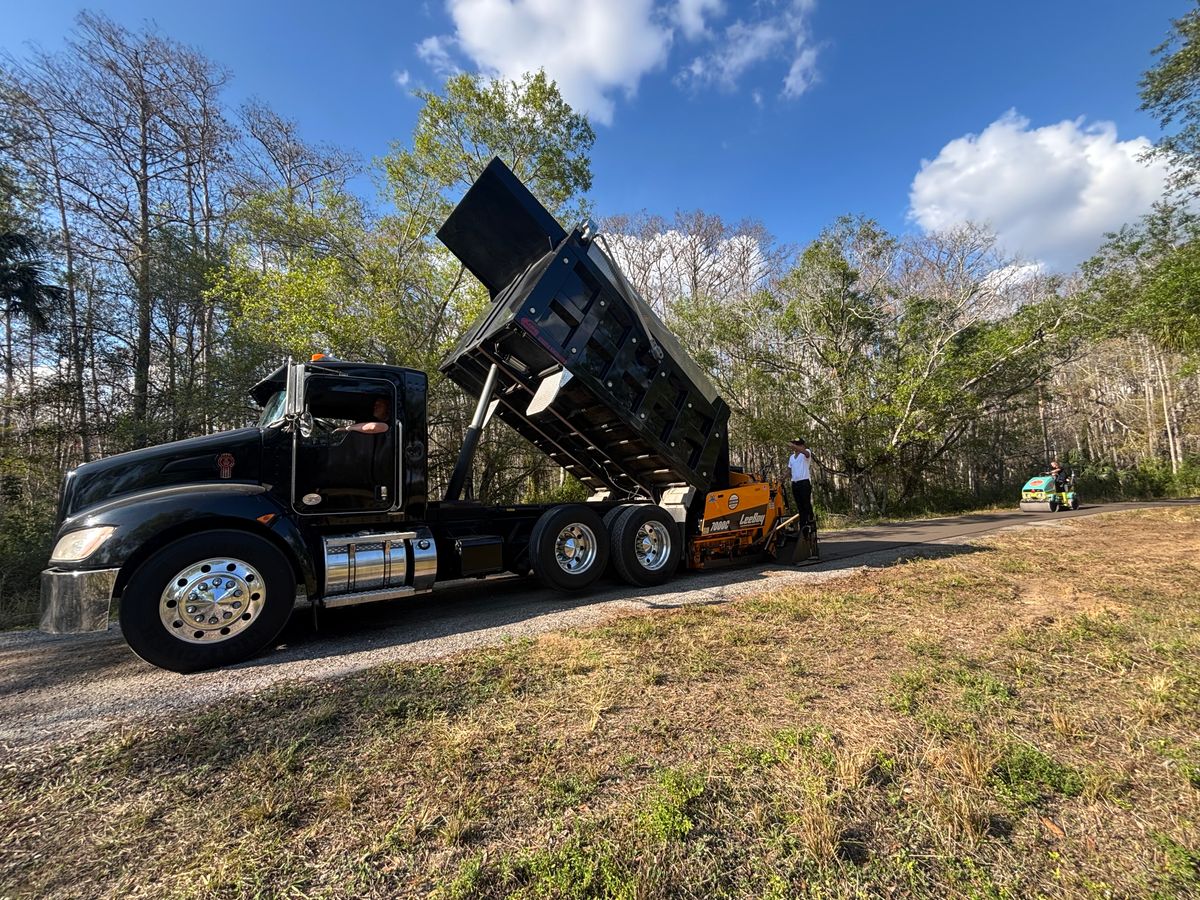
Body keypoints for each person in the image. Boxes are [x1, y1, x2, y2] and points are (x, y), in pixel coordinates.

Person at [788, 438, 814, 528]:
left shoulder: (805, 453)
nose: (795, 446)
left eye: (797, 444)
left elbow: (806, 454)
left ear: (802, 445)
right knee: (799, 505)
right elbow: (789, 470)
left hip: (804, 482)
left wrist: (794, 446)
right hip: (795, 483)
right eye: (794, 444)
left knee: (805, 503)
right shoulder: (791, 457)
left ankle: (810, 520)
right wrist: (782, 477)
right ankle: (803, 524)